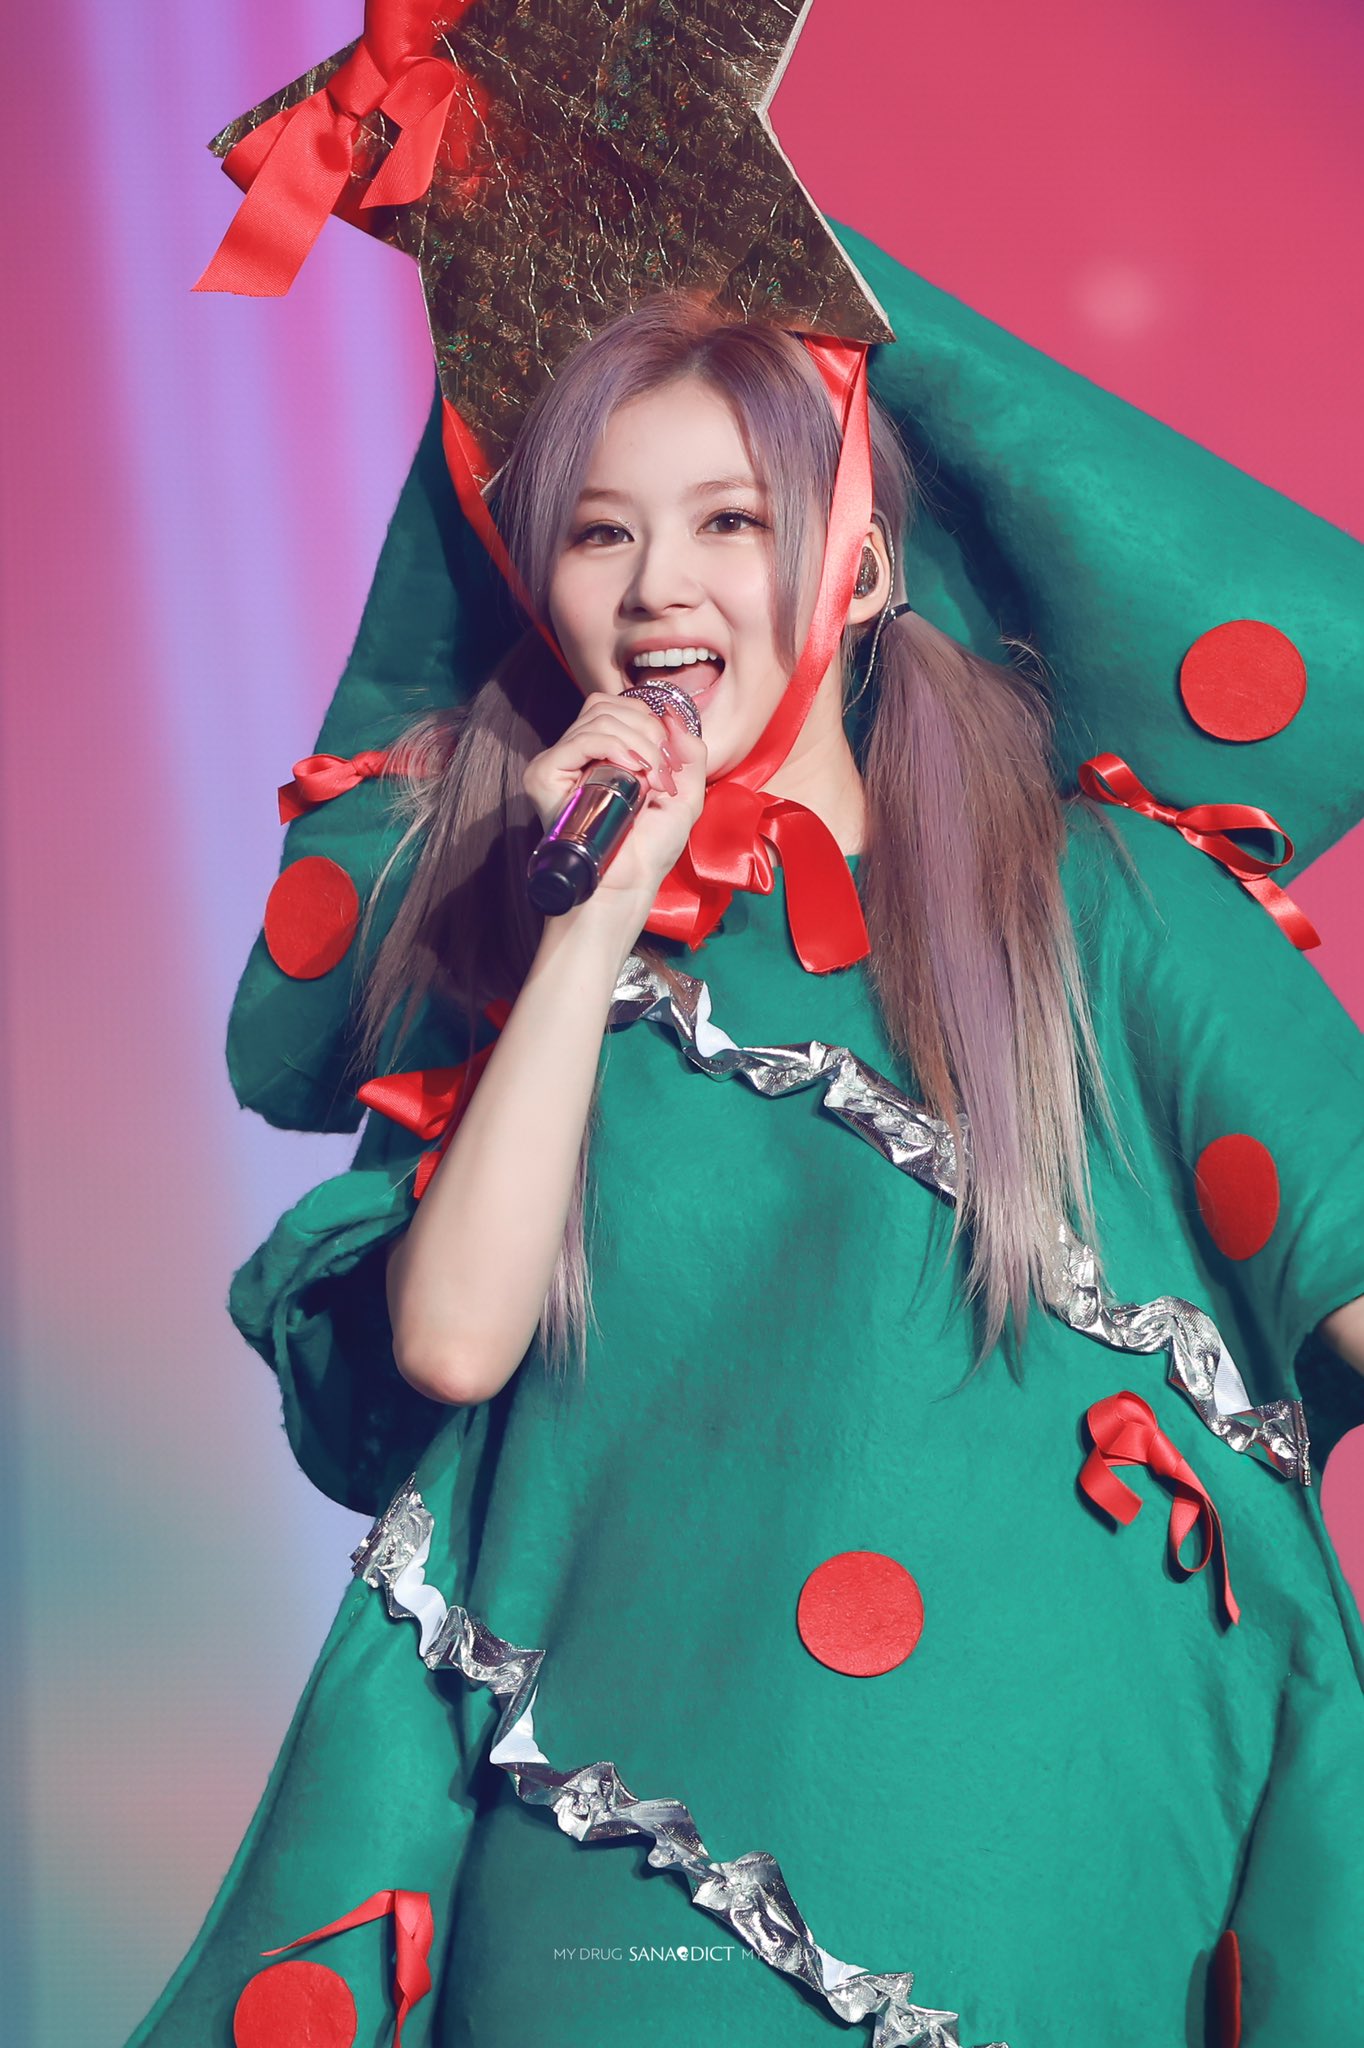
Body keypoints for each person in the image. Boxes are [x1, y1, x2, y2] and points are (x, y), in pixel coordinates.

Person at [126, 294, 1364, 2048]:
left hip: (1039, 1849)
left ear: (860, 569)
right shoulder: (547, 983)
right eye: (598, 534)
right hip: (611, 1883)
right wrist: (585, 932)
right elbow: (451, 1345)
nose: (660, 590)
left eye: (731, 520)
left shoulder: (1104, 903)